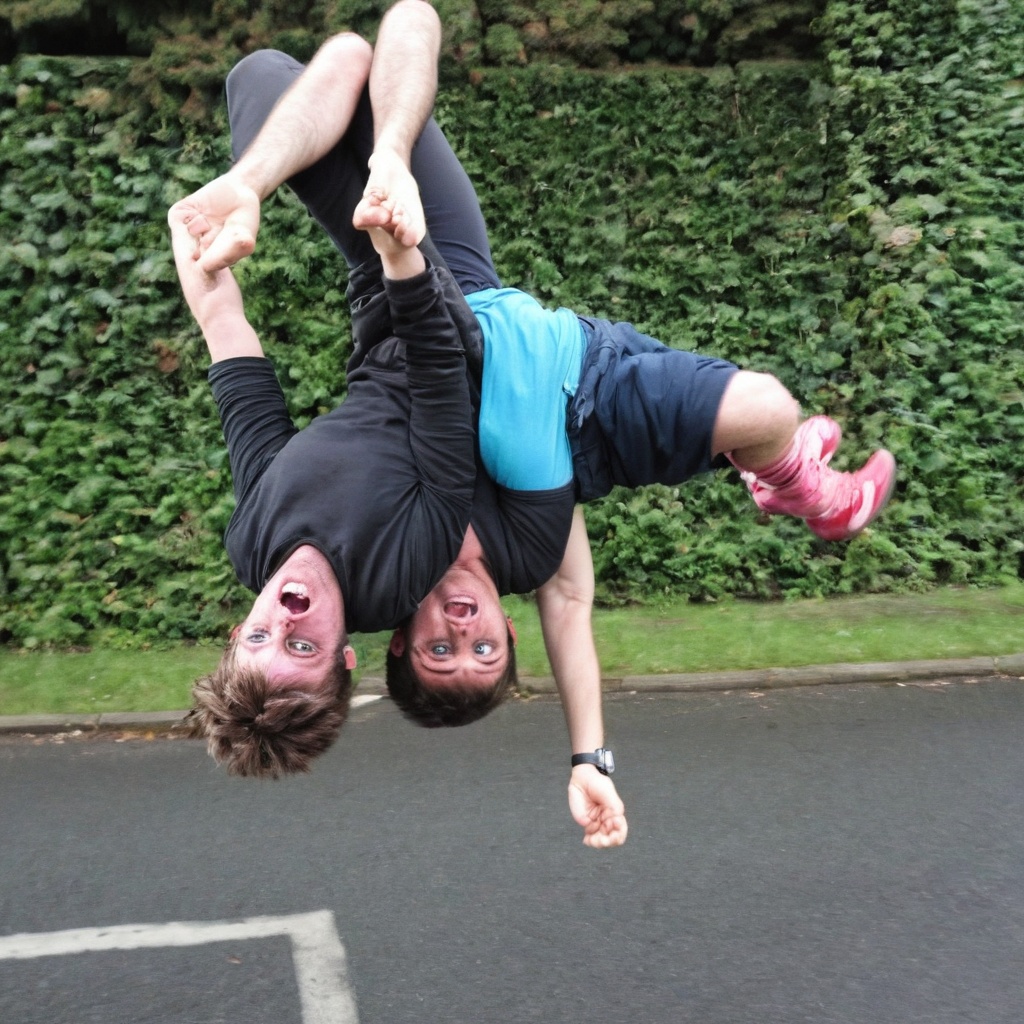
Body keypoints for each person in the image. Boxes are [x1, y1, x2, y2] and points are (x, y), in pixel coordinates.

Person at [181, 0, 895, 847]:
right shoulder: (406, 568)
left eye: (263, 635)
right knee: (767, 407)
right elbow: (533, 540)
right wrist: (590, 755)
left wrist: (209, 244)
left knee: (309, 62)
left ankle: (254, 180)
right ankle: (795, 482)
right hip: (485, 338)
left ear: (241, 629)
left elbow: (241, 374)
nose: (289, 617)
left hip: (418, 303)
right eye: (300, 648)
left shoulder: (254, 541)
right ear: (349, 655)